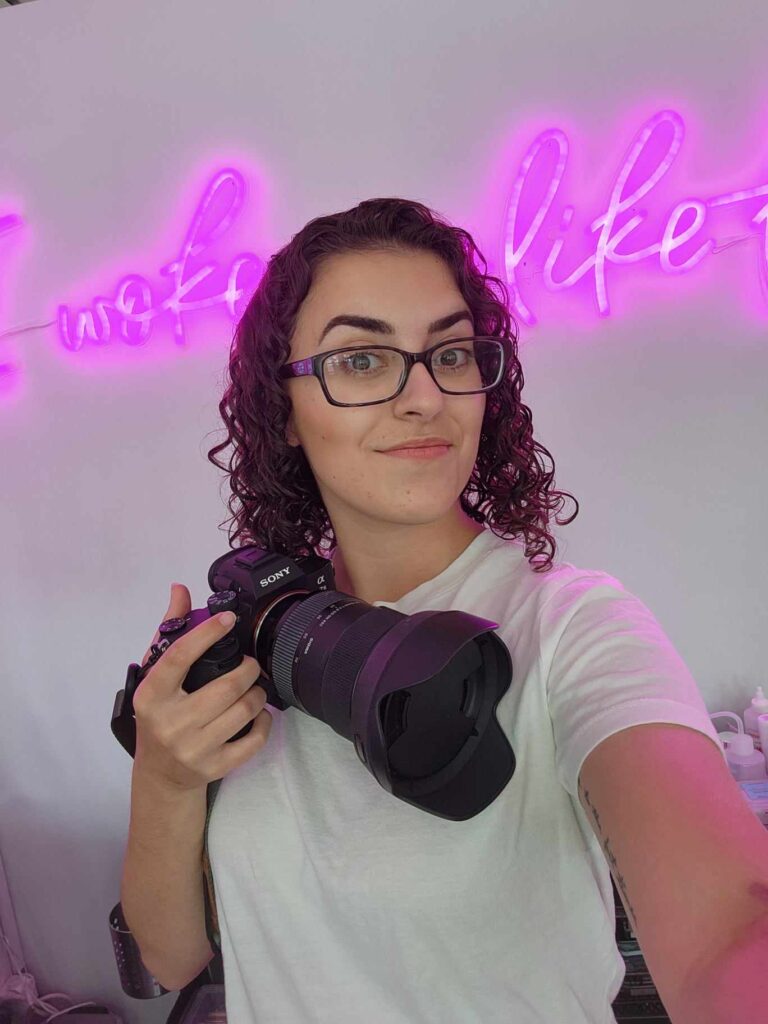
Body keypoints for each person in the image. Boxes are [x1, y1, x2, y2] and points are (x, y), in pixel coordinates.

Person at [197, 198, 719, 1022]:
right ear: (283, 413)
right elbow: (169, 955)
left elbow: (730, 921)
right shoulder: (267, 629)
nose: (424, 397)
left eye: (449, 352)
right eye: (362, 360)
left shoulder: (572, 625)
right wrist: (158, 776)